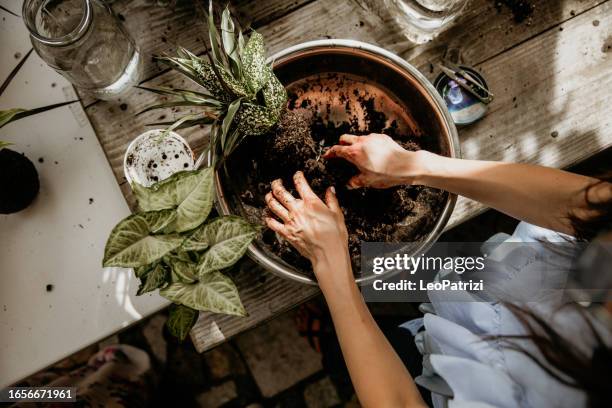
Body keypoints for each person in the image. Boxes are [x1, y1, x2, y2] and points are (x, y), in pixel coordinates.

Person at [263, 133, 612, 408]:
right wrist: (412, 165)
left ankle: (325, 337)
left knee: (358, 349)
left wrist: (330, 261)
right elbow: (584, 207)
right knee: (400, 275)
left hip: (448, 375)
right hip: (499, 279)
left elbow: (399, 402)